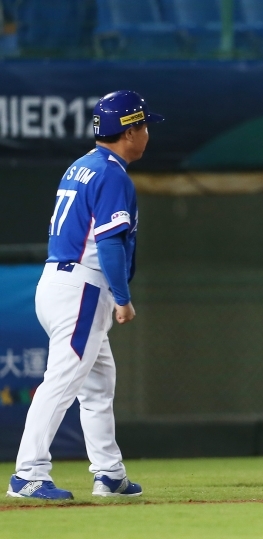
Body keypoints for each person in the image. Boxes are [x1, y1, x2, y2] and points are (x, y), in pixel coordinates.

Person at [7, 90, 164, 500]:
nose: (147, 133)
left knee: (97, 382)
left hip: (57, 281)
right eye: (143, 125)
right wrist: (122, 297)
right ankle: (28, 473)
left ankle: (109, 473)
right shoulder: (113, 174)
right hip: (83, 288)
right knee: (62, 380)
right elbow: (110, 244)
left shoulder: (82, 166)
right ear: (128, 131)